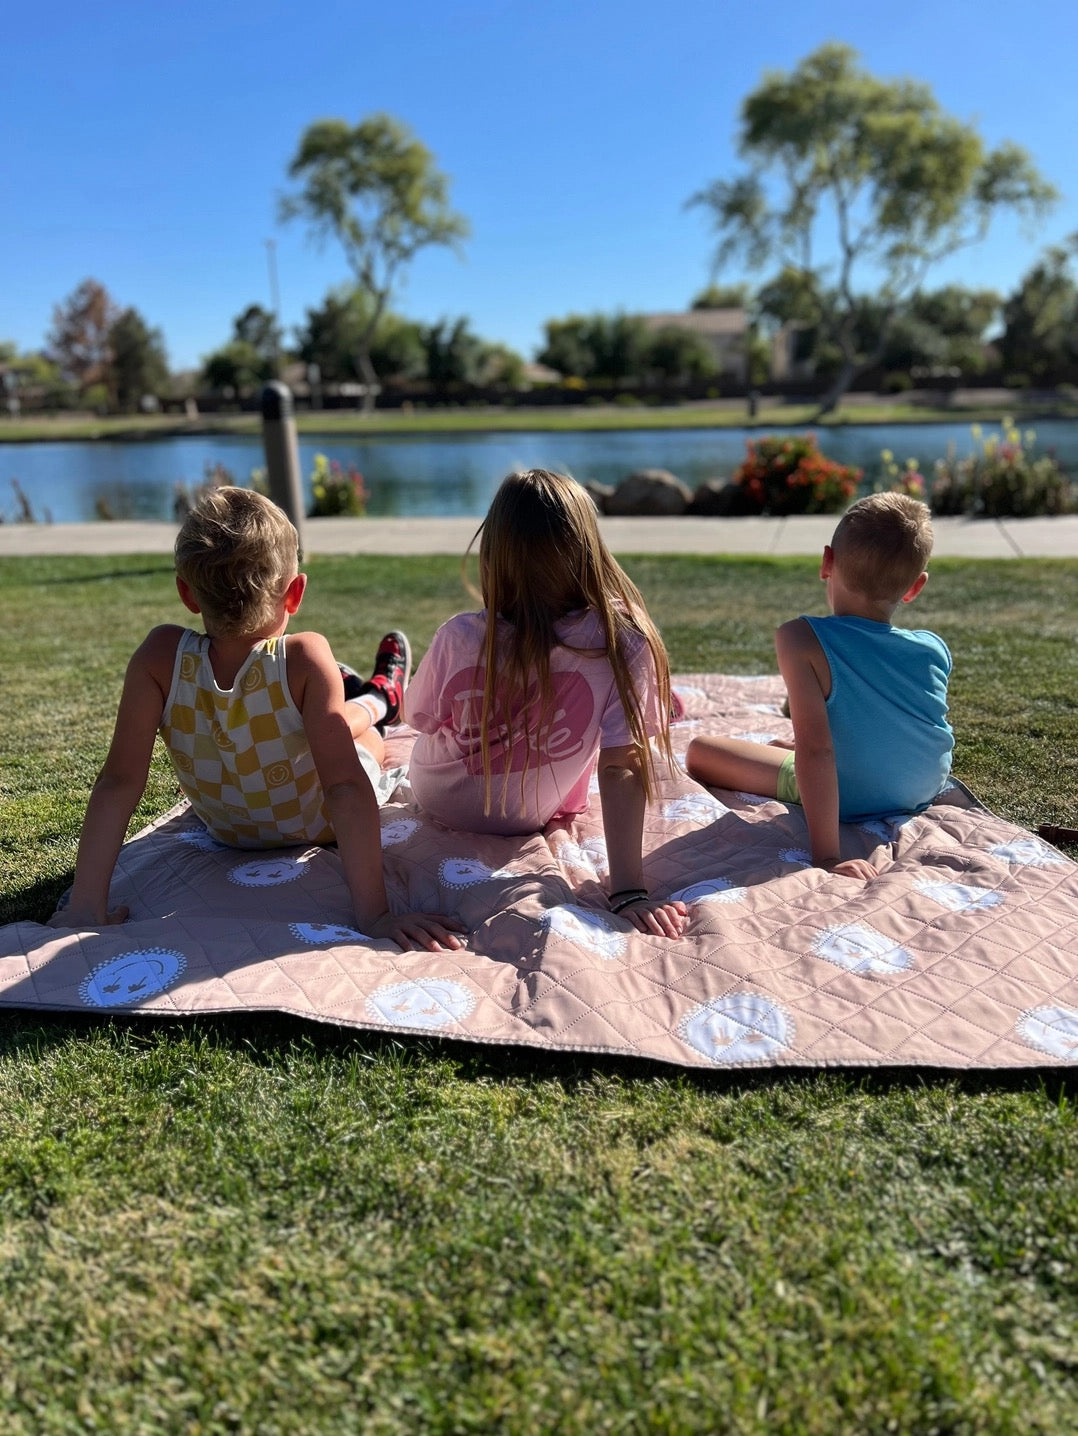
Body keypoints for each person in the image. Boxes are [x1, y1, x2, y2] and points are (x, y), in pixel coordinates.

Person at [49, 487, 465, 951]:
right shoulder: (304, 657)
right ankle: (381, 697)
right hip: (318, 824)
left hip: (229, 830)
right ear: (295, 593)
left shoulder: (158, 658)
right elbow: (345, 786)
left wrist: (86, 905)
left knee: (323, 725)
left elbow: (119, 781)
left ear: (187, 592)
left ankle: (371, 695)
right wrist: (375, 914)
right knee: (364, 739)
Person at [405, 469, 689, 937]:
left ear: (493, 553)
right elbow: (623, 765)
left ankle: (378, 690)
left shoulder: (459, 636)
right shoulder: (624, 642)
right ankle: (655, 700)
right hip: (535, 811)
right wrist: (628, 890)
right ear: (589, 549)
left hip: (440, 799)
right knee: (614, 726)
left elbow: (418, 718)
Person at [686, 492, 954, 880]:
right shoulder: (933, 648)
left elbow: (816, 750)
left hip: (849, 794)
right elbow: (899, 719)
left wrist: (828, 854)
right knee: (800, 744)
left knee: (700, 751)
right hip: (920, 787)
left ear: (827, 561)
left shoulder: (801, 639)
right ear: (915, 587)